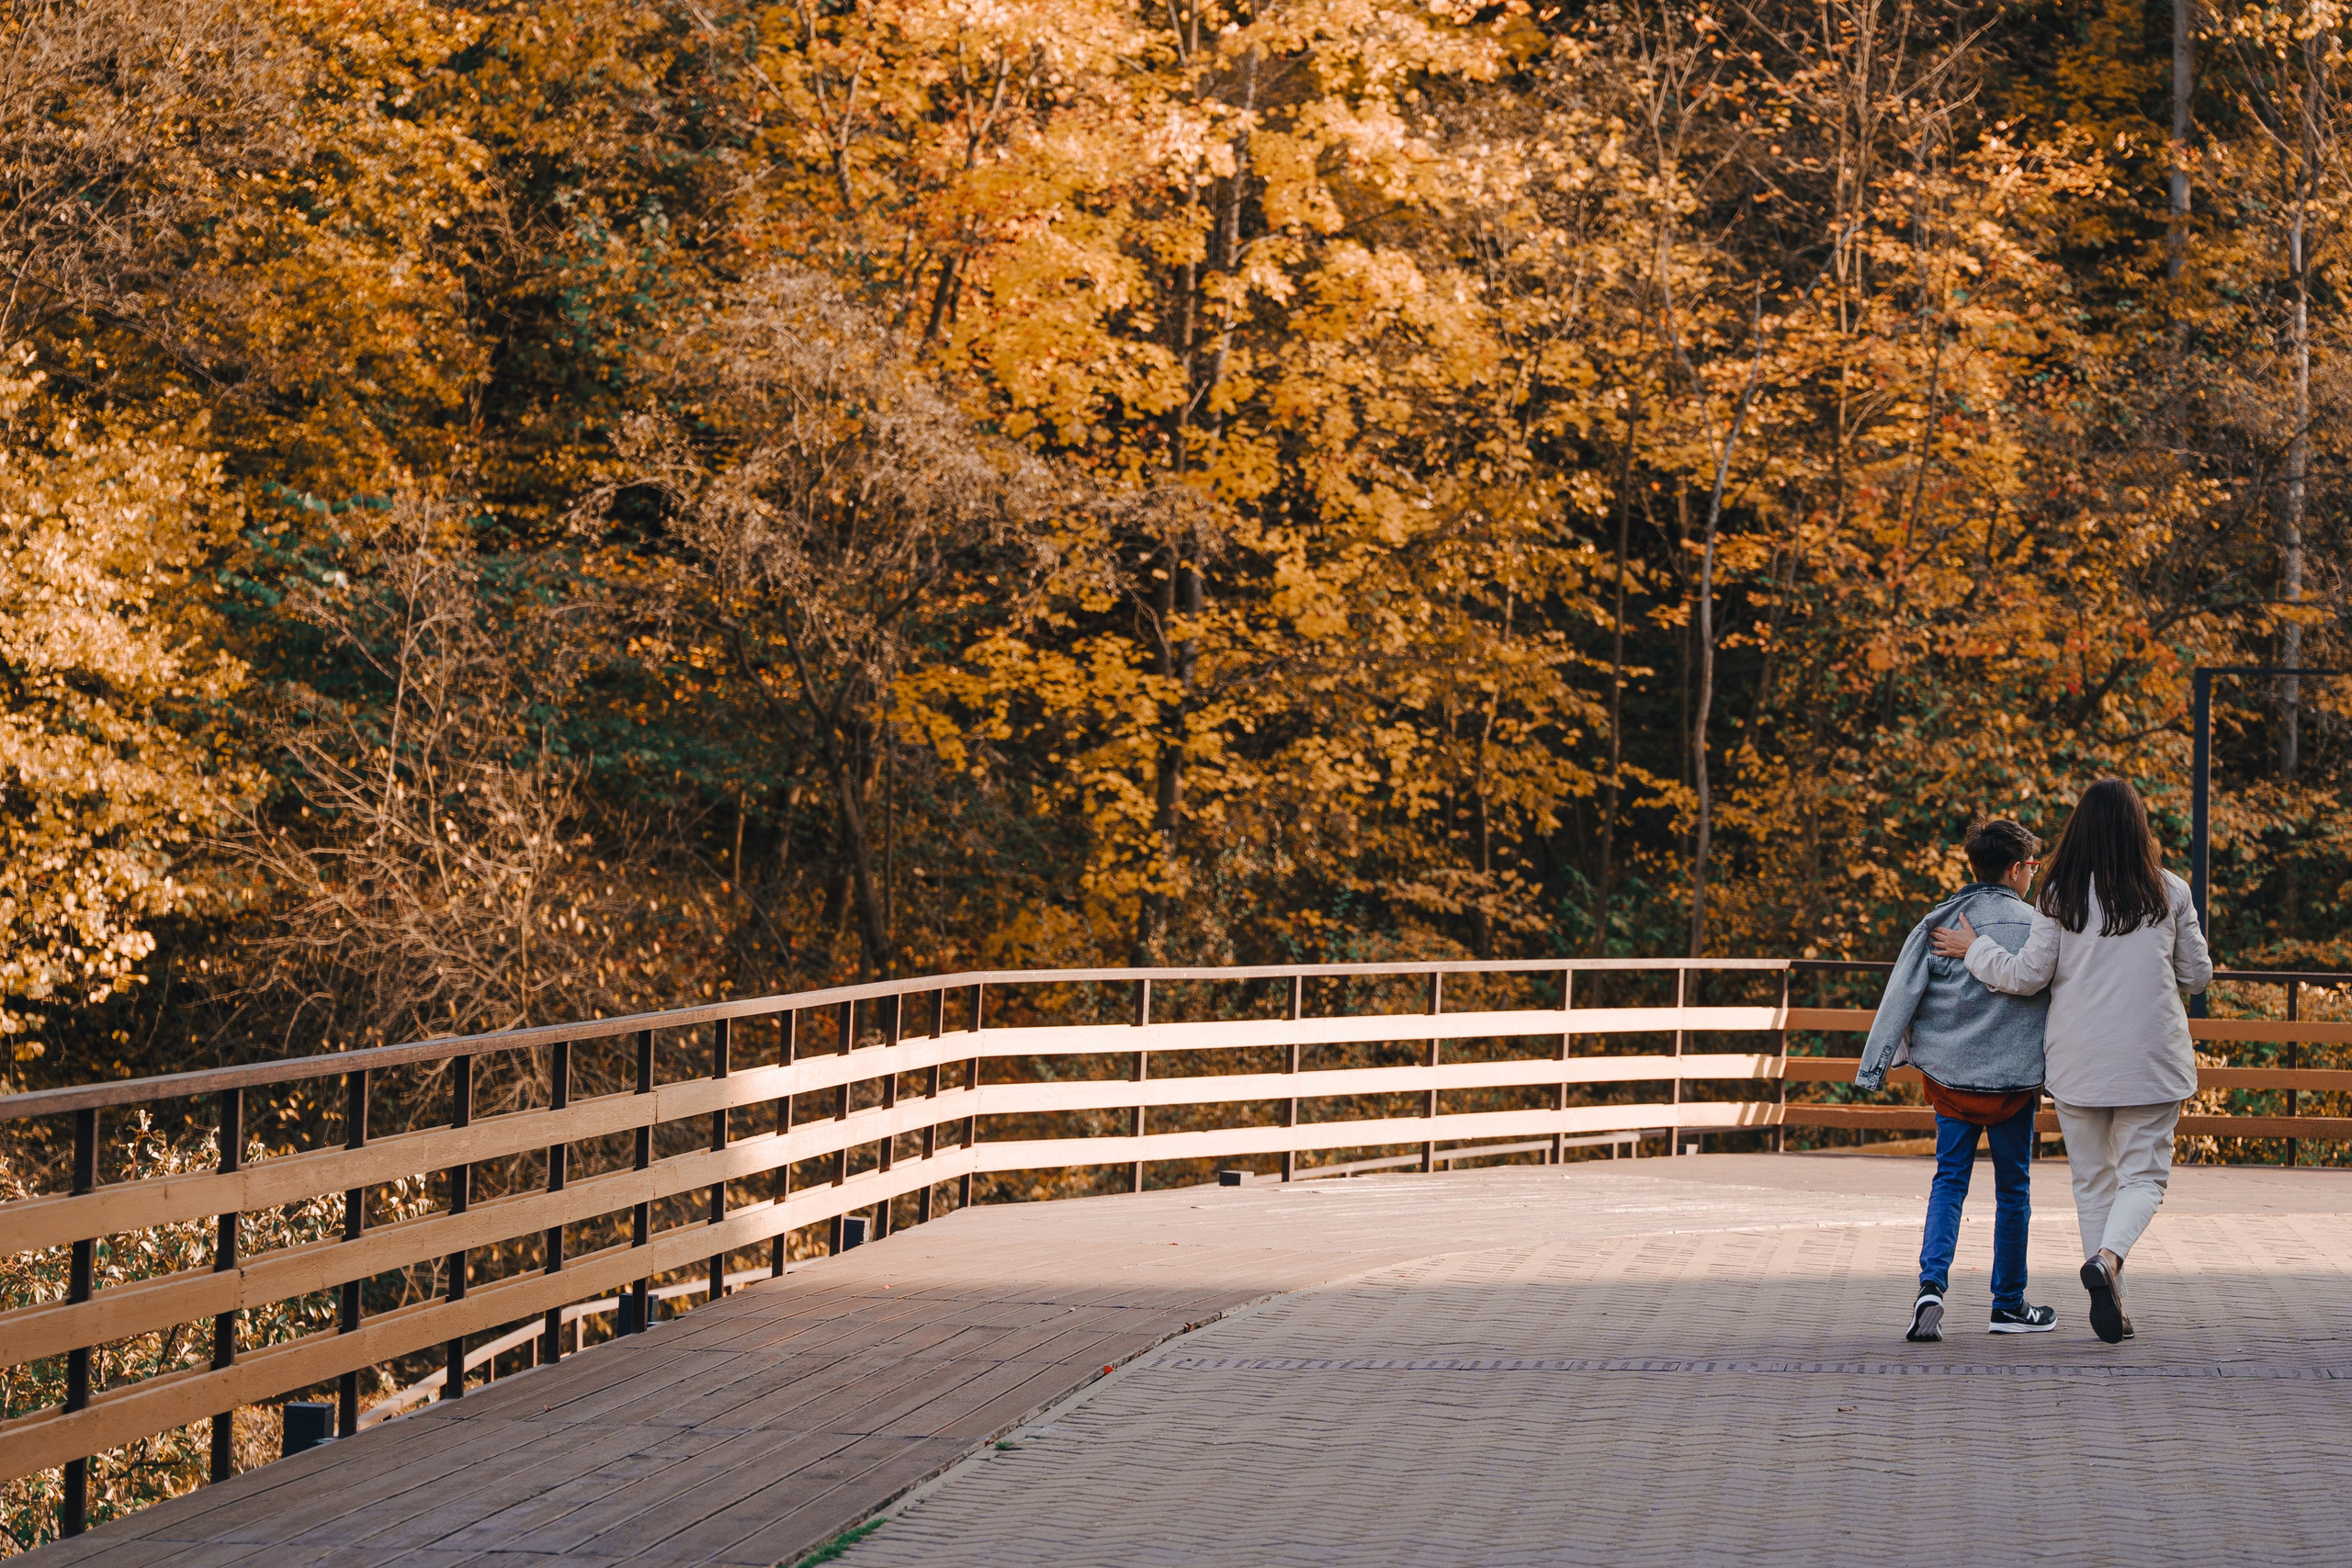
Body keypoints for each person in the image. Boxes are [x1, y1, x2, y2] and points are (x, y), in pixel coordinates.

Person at [1930, 777, 2211, 1345]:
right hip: (2152, 1062)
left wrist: (1974, 949)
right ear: (2139, 829)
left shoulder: (2056, 894)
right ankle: (2107, 1261)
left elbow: (2026, 976)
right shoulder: (2170, 892)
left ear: (2080, 827)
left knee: (2092, 1184)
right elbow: (2196, 976)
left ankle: (2116, 1302)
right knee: (2145, 1179)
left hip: (2078, 1064)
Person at [1857, 818, 2056, 1342]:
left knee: (1949, 1183)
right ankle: (2007, 1305)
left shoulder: (1938, 922)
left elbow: (1900, 994)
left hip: (1951, 1081)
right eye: (2033, 867)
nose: (2033, 877)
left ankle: (1930, 1288)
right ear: (2016, 869)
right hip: (2015, 1083)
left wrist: (1876, 1066)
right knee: (2014, 1190)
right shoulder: (2038, 925)